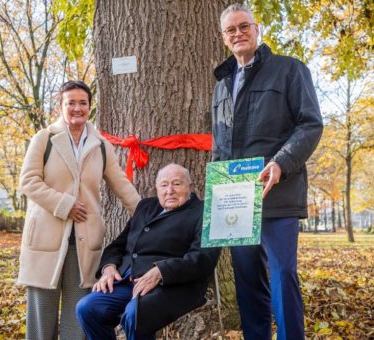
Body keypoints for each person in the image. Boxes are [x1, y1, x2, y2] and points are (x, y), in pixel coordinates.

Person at [211, 4, 324, 340]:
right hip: (237, 201)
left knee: (283, 274)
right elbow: (221, 145)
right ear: (223, 38)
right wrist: (218, 193)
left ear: (257, 29)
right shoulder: (221, 86)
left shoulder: (289, 70)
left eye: (244, 26)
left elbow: (310, 124)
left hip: (279, 192)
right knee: (247, 280)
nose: (238, 34)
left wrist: (281, 162)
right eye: (231, 30)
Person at [17, 80, 141, 340]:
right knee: (42, 320)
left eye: (82, 103)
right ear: (61, 106)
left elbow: (123, 187)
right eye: (70, 102)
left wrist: (150, 217)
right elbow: (28, 182)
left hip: (85, 244)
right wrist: (65, 205)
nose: (77, 108)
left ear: (89, 107)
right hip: (45, 242)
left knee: (77, 320)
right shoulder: (44, 139)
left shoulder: (101, 146)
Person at [76, 164, 220, 340]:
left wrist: (161, 271)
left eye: (177, 184)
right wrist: (109, 267)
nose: (170, 191)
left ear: (190, 187)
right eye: (164, 185)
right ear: (157, 189)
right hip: (127, 282)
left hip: (171, 285)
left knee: (135, 315)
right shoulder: (146, 206)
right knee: (87, 308)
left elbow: (204, 259)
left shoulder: (204, 212)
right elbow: (118, 245)